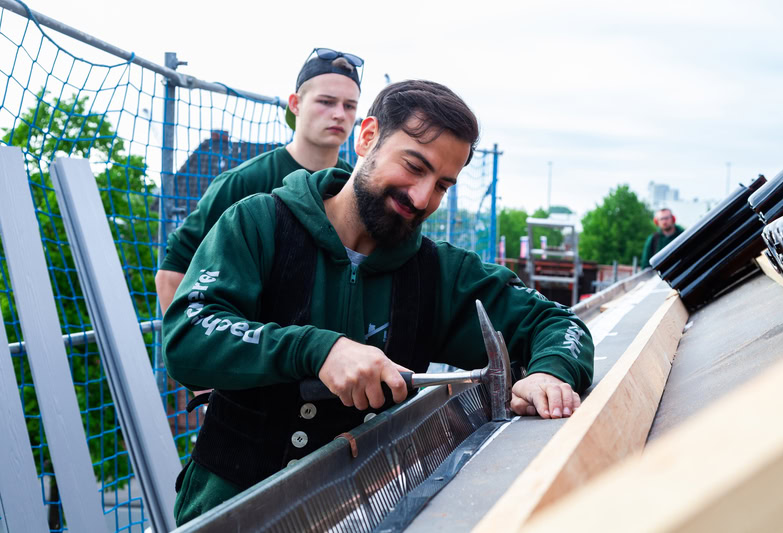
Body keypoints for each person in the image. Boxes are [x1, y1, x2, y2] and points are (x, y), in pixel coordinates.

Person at [163, 80, 595, 525]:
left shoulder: (440, 273)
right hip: (228, 510)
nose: (422, 197)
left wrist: (550, 371)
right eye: (414, 166)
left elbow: (557, 322)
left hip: (366, 515)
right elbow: (187, 336)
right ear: (368, 136)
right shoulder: (257, 223)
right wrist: (316, 349)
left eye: (443, 185)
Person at [155, 47, 363, 312]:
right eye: (326, 101)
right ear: (295, 104)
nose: (339, 114)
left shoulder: (355, 187)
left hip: (332, 348)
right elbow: (173, 273)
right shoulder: (243, 182)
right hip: (254, 344)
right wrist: (191, 349)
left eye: (350, 106)